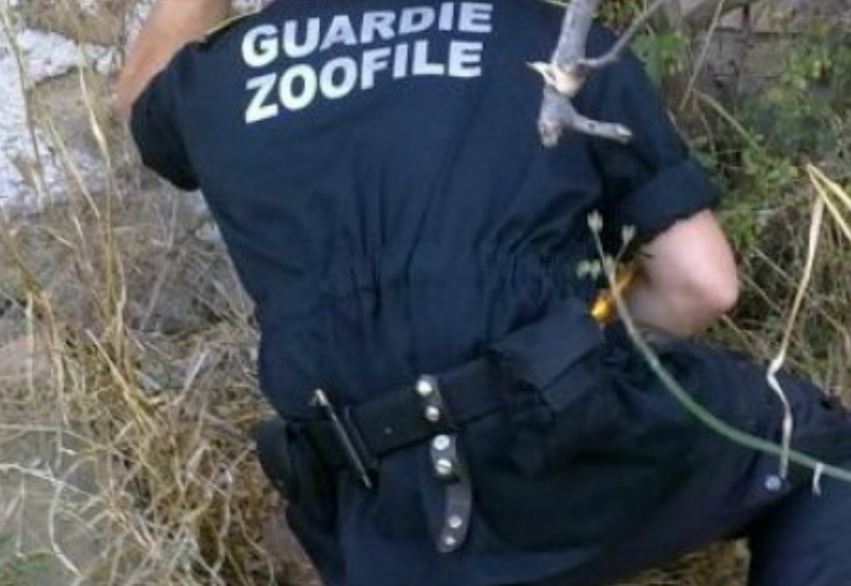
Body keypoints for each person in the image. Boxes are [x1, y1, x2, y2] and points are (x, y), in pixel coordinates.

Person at [117, 1, 851, 585]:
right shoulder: (550, 44)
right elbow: (701, 283)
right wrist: (569, 359)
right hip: (555, 444)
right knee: (823, 453)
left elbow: (138, 99)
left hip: (373, 510)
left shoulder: (214, 79)